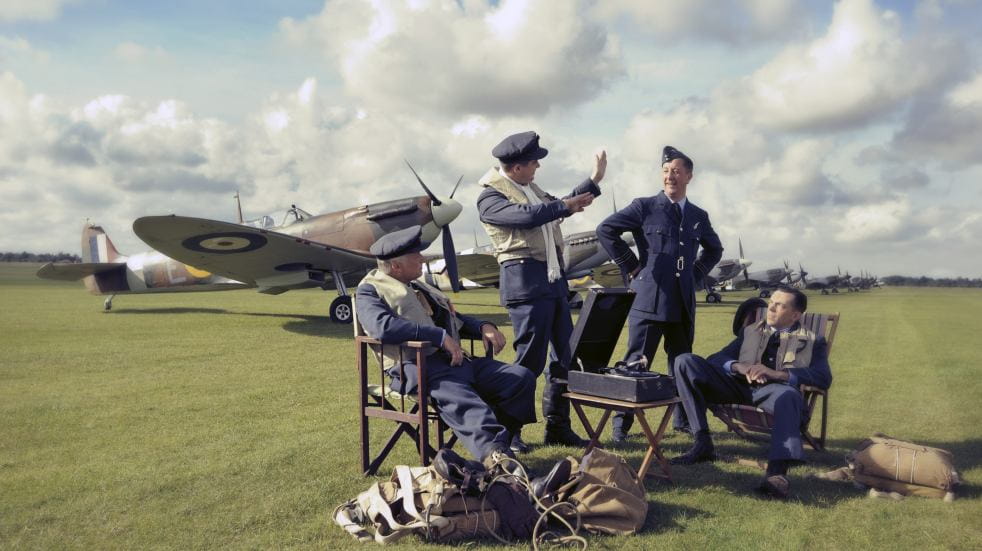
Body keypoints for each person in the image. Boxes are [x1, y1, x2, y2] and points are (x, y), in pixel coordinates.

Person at [354, 225, 537, 464]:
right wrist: (438, 336)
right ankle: (502, 463)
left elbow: (454, 319)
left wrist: (483, 326)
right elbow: (382, 327)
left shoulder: (417, 286)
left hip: (455, 361)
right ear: (396, 266)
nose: (422, 258)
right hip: (416, 366)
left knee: (520, 378)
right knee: (468, 404)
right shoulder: (369, 290)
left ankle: (502, 441)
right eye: (415, 256)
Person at [476, 131, 606, 452]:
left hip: (552, 282)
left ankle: (558, 426)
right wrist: (564, 206)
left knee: (565, 357)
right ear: (517, 167)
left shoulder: (529, 188)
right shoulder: (490, 197)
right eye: (534, 162)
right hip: (525, 284)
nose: (538, 166)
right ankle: (509, 433)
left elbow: (554, 204)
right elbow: (529, 217)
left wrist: (593, 180)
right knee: (528, 363)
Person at [596, 145, 722, 442]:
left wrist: (696, 275)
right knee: (635, 363)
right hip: (648, 300)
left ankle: (683, 421)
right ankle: (620, 426)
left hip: (681, 302)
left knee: (681, 364)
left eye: (677, 171)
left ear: (689, 176)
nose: (670, 176)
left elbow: (715, 248)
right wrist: (631, 265)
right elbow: (606, 229)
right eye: (666, 171)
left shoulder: (697, 215)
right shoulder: (644, 206)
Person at [670, 286, 832, 499]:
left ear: (795, 315)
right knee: (684, 361)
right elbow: (716, 359)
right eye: (771, 302)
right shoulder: (751, 330)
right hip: (736, 386)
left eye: (779, 305)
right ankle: (702, 442)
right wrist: (739, 366)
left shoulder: (813, 340)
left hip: (773, 392)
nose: (771, 308)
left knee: (789, 396)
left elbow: (823, 377)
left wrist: (777, 374)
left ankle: (776, 473)